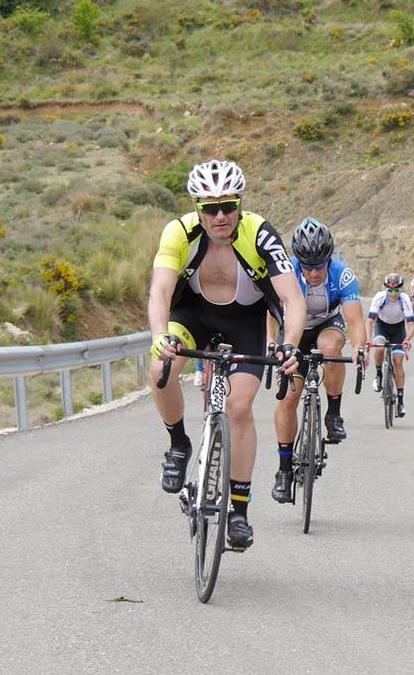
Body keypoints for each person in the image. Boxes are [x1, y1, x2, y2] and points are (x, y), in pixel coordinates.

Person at [148, 159, 306, 551]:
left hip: (246, 320)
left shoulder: (260, 233)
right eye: (209, 208)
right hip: (194, 314)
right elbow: (161, 292)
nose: (220, 216)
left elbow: (291, 297)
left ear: (241, 203)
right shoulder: (179, 233)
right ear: (196, 208)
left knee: (238, 407)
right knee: (159, 368)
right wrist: (158, 335)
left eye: (228, 206)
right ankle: (179, 444)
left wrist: (290, 342)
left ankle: (238, 510)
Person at [270, 218, 366, 504]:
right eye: (306, 266)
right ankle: (284, 470)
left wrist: (360, 347)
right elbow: (270, 311)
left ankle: (333, 414)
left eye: (319, 266)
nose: (312, 273)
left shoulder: (341, 275)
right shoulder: (286, 272)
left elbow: (355, 319)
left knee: (331, 346)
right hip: (294, 331)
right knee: (288, 398)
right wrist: (270, 341)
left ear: (329, 258)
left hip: (327, 324)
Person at [366, 273, 414, 418]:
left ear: (400, 289)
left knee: (398, 362)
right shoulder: (380, 297)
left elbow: (411, 324)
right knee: (380, 348)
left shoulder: (404, 299)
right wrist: (368, 338)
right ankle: (379, 374)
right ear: (386, 288)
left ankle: (400, 401)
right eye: (390, 290)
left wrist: (407, 339)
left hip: (398, 329)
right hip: (382, 326)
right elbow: (369, 321)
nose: (393, 294)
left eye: (396, 291)